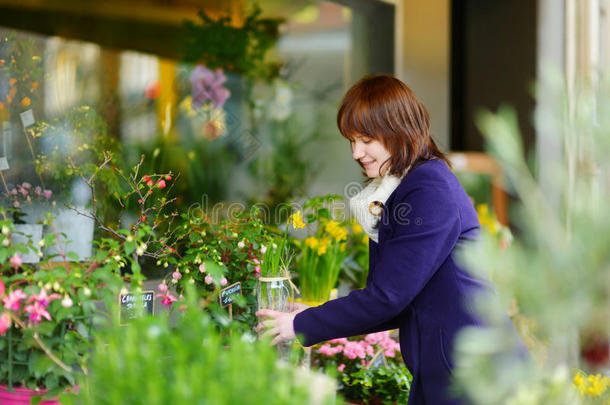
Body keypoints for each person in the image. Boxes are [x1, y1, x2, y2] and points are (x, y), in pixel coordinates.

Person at [256, 74, 522, 404]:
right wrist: (311, 313)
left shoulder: (428, 189)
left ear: (398, 130)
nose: (356, 152)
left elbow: (387, 297)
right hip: (451, 372)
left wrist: (301, 324)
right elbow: (394, 297)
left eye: (366, 140)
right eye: (351, 141)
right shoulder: (408, 187)